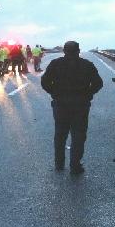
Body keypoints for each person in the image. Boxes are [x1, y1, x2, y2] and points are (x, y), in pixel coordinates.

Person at [40, 41, 103, 174]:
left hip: (60, 105)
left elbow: (45, 82)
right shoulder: (87, 65)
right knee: (78, 136)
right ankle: (75, 166)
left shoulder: (55, 64)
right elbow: (98, 83)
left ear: (64, 51)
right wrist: (88, 94)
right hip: (80, 106)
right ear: (78, 51)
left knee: (60, 135)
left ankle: (59, 164)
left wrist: (55, 93)